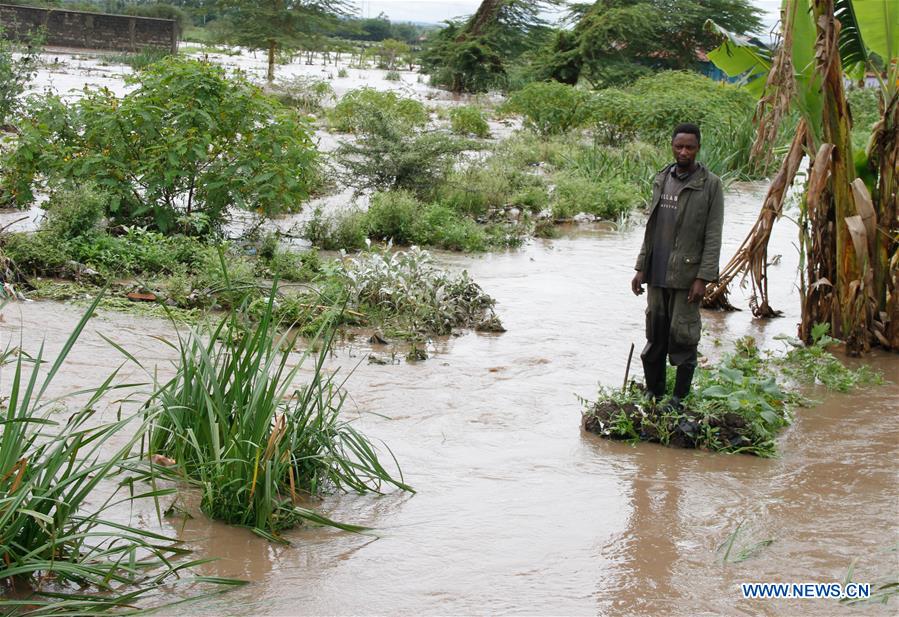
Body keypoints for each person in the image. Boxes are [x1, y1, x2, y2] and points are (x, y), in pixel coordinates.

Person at [630, 123, 723, 407]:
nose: (683, 152)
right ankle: (653, 392)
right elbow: (652, 228)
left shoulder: (711, 185)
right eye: (679, 146)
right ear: (672, 145)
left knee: (683, 337)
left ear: (698, 148)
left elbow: (713, 235)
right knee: (654, 337)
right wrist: (640, 267)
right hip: (657, 274)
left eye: (690, 147)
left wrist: (703, 278)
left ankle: (678, 399)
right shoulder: (662, 178)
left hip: (686, 275)